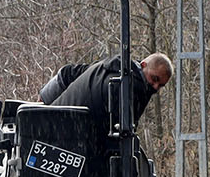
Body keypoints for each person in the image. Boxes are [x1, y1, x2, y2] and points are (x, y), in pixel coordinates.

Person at [37, 52, 171, 136]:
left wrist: (41, 104)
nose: (155, 87)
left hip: (51, 130)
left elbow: (68, 73)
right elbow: (124, 136)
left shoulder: (108, 66)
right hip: (68, 138)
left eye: (160, 86)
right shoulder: (134, 87)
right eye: (154, 79)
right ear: (143, 65)